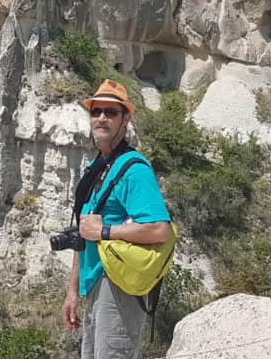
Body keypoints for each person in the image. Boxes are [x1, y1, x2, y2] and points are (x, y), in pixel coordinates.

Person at [62, 79, 172, 359]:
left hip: (119, 287)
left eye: (111, 112)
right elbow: (85, 231)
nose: (101, 118)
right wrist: (73, 291)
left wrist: (106, 231)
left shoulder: (135, 170)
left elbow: (160, 229)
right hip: (95, 283)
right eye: (96, 111)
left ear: (126, 119)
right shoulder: (97, 167)